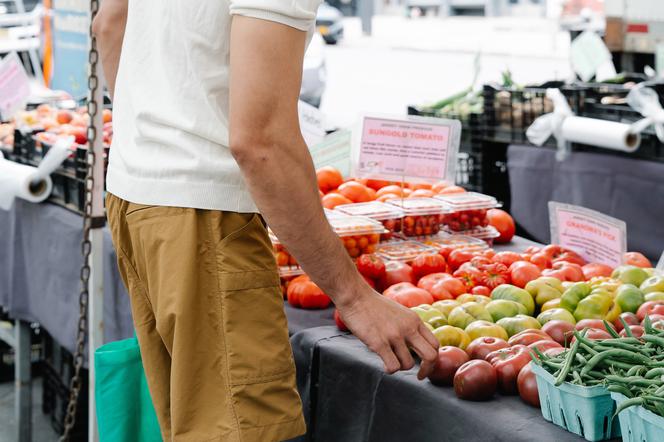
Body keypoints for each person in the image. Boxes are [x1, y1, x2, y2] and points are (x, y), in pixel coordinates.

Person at [93, 1, 439, 440]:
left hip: (136, 196)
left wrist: (158, 135)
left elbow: (110, 24)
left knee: (198, 425)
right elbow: (260, 142)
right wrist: (355, 298)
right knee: (242, 430)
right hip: (205, 215)